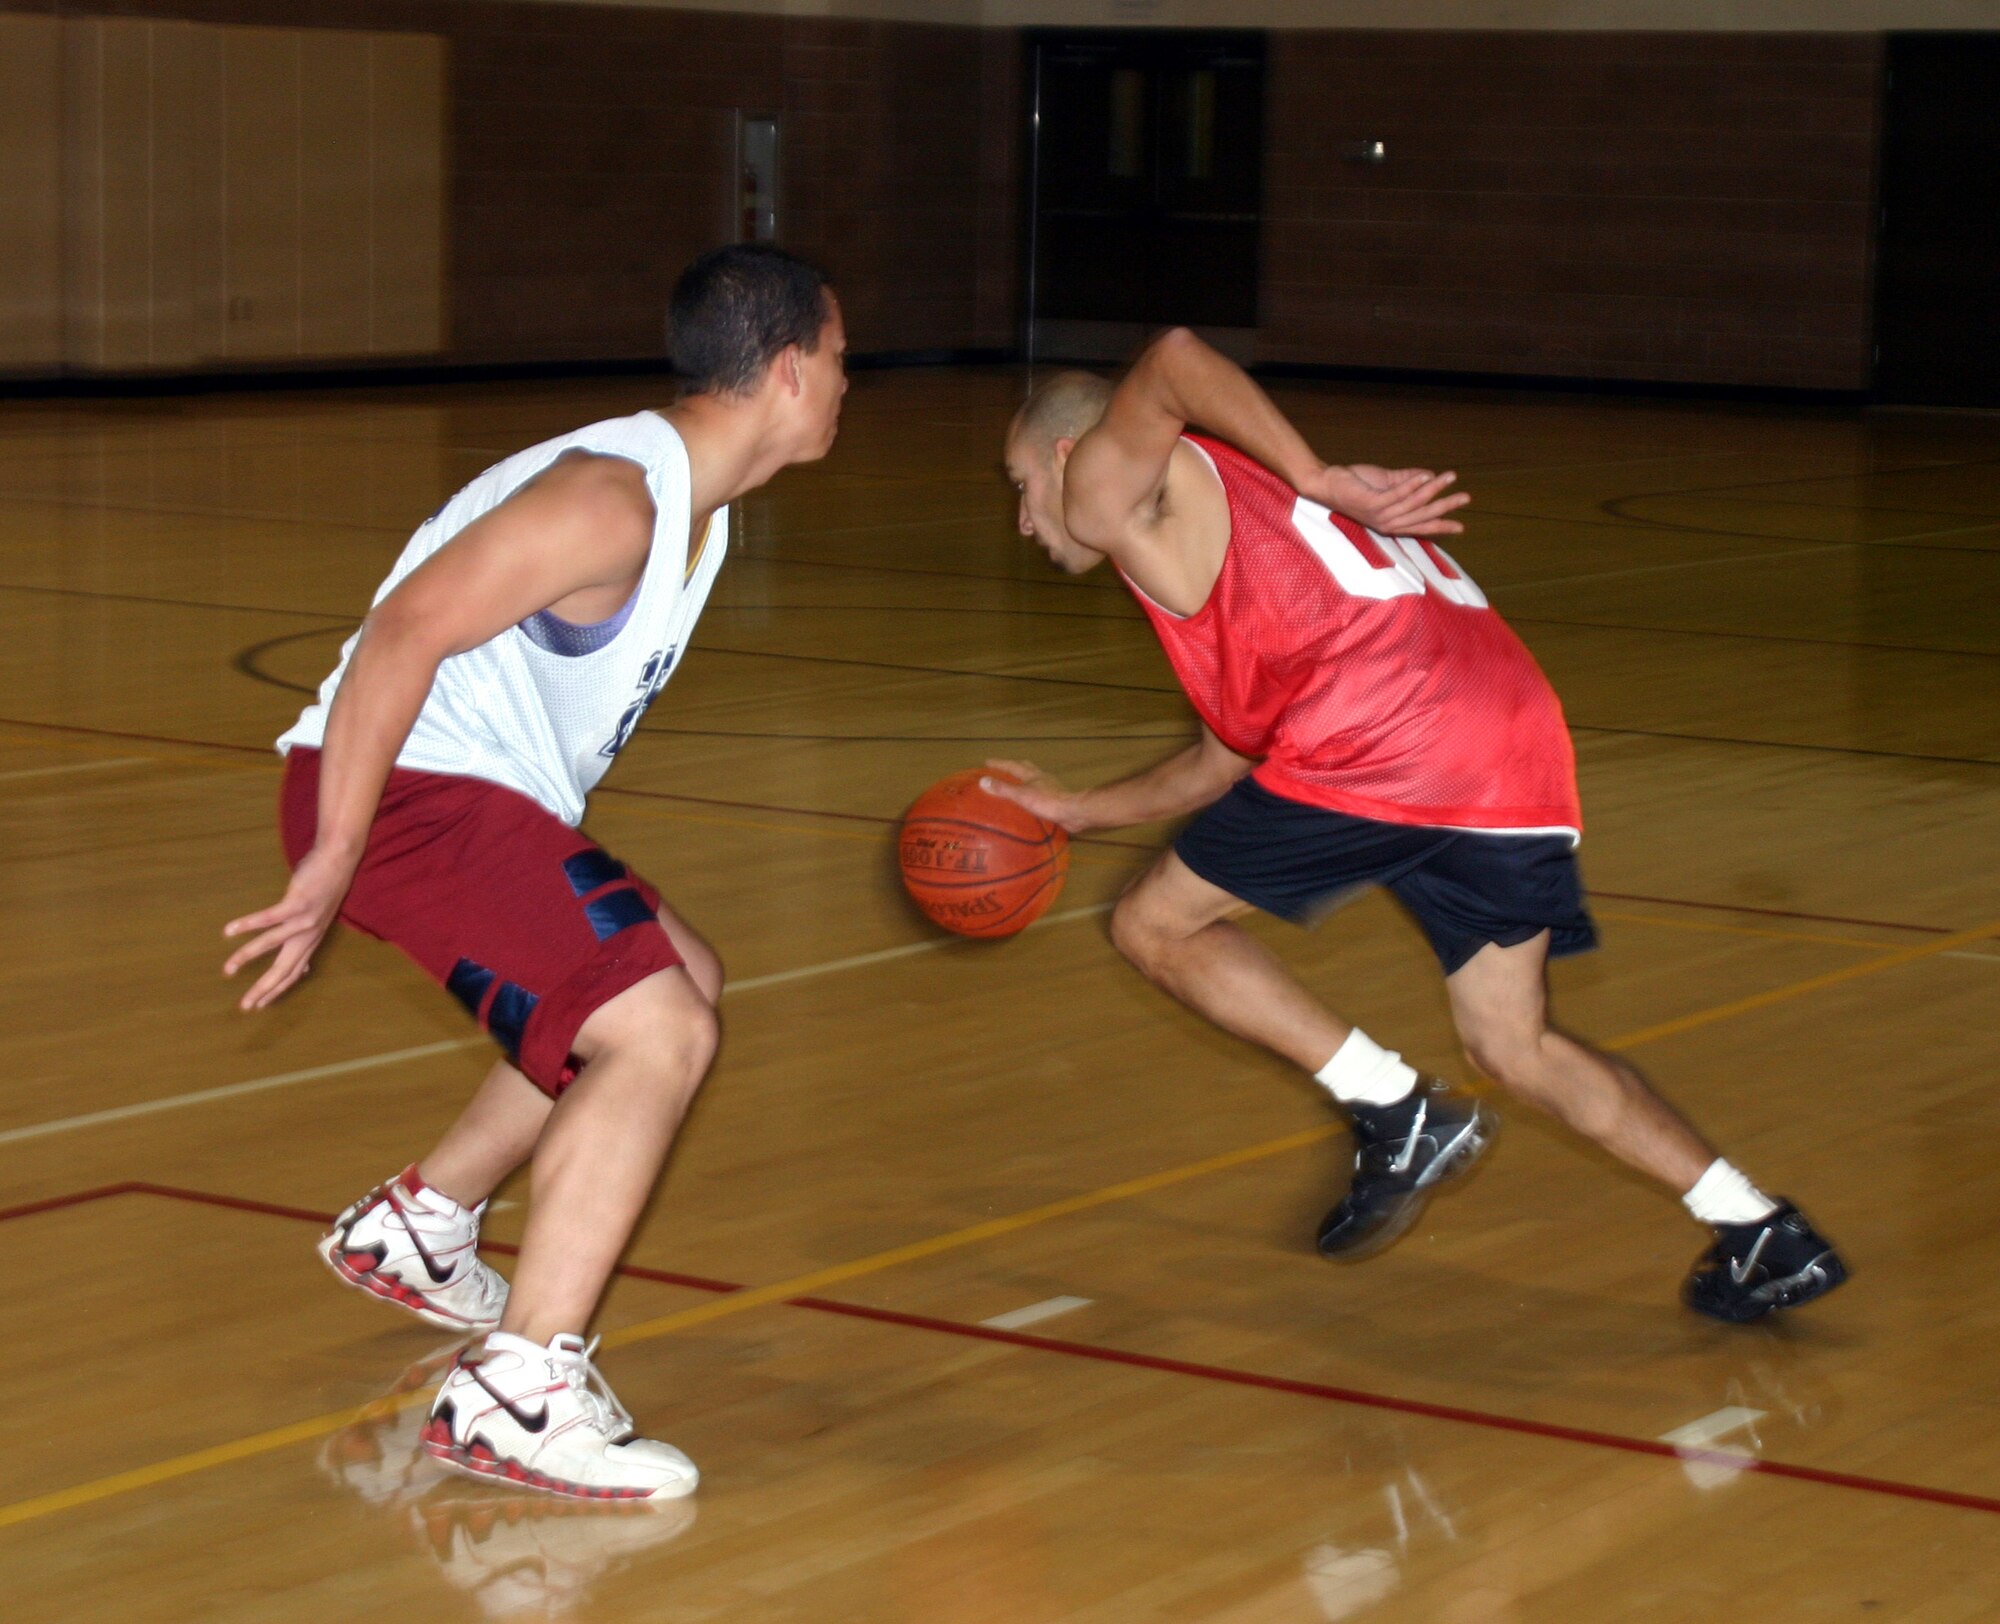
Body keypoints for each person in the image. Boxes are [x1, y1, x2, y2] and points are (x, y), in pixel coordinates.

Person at [989, 330, 1846, 1323]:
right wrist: (1078, 809)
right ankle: (1757, 1230)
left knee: (1151, 926)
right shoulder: (1211, 550)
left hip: (1385, 722)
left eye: (1017, 482)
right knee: (1512, 1043)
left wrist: (1317, 472)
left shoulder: (1103, 477)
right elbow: (1223, 759)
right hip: (1507, 734)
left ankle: (1393, 1110)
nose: (1019, 519)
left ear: (1065, 453)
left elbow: (1175, 357)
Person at [223, 243, 848, 1500]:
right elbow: (405, 626)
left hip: (458, 794)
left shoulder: (694, 508)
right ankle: (520, 1391)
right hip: (404, 790)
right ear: (786, 371)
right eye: (839, 360)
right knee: (656, 1032)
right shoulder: (613, 496)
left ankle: (424, 1221)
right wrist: (338, 850)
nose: (847, 381)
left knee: (678, 976)